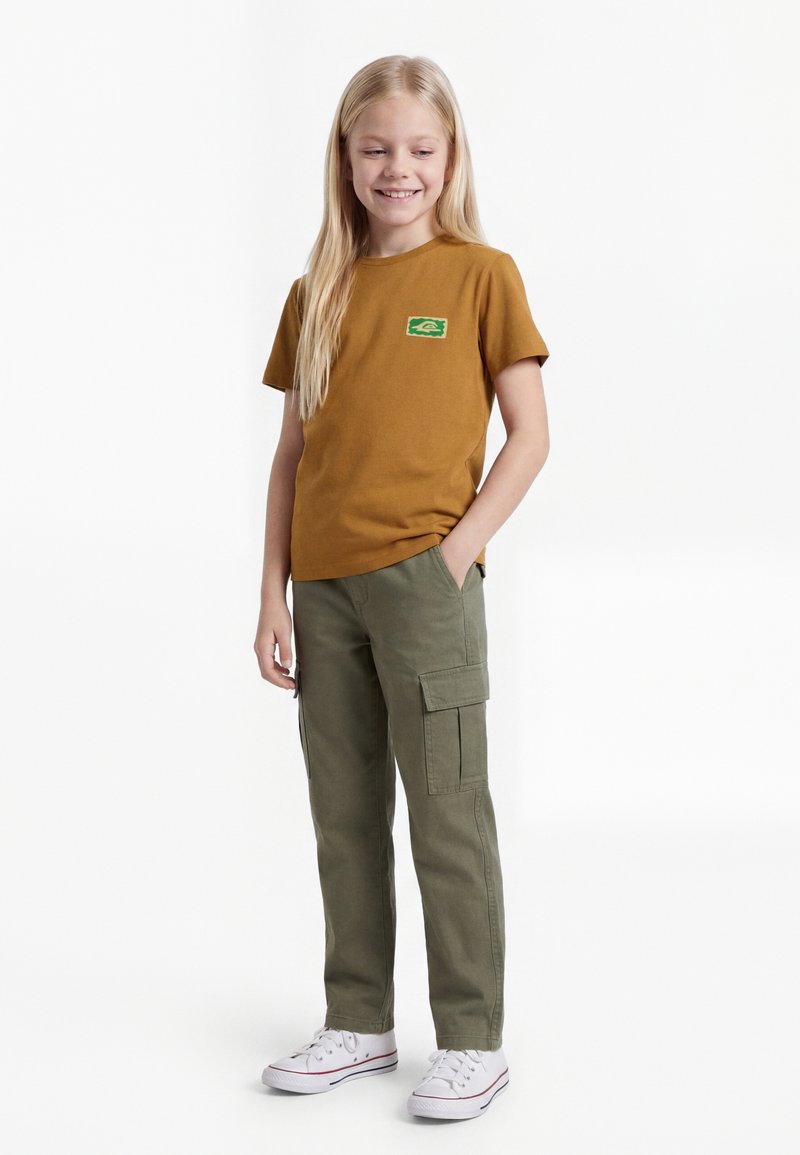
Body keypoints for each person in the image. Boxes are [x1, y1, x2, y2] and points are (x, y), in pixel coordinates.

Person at [254, 54, 551, 1121]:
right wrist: (272, 595)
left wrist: (455, 553)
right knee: (343, 815)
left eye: (419, 149)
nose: (398, 168)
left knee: (447, 817)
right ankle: (359, 1020)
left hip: (426, 585)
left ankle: (472, 1039)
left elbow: (530, 437)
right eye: (375, 148)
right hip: (324, 592)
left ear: (449, 155)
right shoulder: (316, 294)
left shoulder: (481, 276)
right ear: (345, 157)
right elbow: (291, 458)